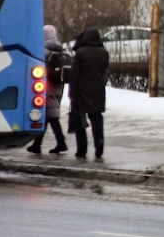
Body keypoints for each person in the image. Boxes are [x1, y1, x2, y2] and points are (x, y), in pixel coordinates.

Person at [68, 27, 110, 161]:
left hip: (81, 90)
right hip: (98, 89)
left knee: (80, 120)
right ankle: (99, 142)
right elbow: (105, 71)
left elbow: (74, 75)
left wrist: (71, 92)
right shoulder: (104, 53)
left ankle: (82, 149)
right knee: (96, 117)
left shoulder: (80, 53)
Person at [27, 25, 69, 154]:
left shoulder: (43, 49)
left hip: (47, 84)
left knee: (51, 115)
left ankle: (61, 143)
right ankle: (37, 145)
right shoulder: (59, 48)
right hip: (58, 85)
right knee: (47, 115)